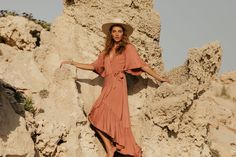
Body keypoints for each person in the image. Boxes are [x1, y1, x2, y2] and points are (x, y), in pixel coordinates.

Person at [60, 18, 170, 157]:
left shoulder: (128, 48)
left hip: (118, 84)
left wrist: (159, 77)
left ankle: (118, 147)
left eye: (119, 31)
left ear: (123, 34)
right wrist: (72, 62)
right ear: (110, 34)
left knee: (115, 117)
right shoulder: (105, 52)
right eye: (114, 31)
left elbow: (142, 65)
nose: (117, 34)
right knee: (93, 116)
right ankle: (109, 147)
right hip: (107, 85)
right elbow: (93, 66)